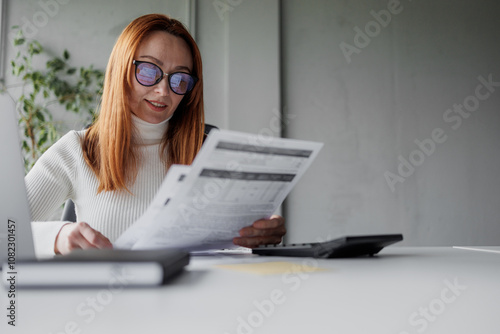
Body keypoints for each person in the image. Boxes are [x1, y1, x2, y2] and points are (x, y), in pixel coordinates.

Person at [26, 13, 286, 256]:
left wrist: (261, 233)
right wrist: (57, 237)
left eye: (180, 79)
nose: (164, 91)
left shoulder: (211, 152)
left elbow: (238, 246)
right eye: (149, 71)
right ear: (122, 71)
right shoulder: (77, 150)